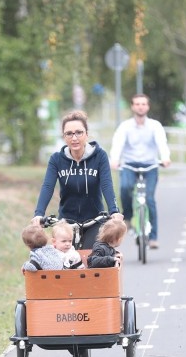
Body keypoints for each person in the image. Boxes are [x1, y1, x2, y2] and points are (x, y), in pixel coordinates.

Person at [32, 110, 123, 249]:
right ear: (64, 137)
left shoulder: (99, 156)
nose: (74, 138)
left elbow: (106, 184)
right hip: (66, 223)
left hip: (94, 221)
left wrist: (114, 211)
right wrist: (39, 214)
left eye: (79, 132)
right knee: (61, 263)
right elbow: (47, 187)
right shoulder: (56, 159)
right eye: (69, 133)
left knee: (94, 259)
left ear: (86, 134)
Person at [109, 93, 171, 249]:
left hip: (150, 165)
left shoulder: (155, 126)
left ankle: (153, 237)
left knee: (149, 200)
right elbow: (118, 144)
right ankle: (128, 217)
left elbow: (162, 143)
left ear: (148, 107)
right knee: (125, 188)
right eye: (137, 104)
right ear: (132, 106)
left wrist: (165, 158)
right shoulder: (125, 126)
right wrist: (115, 159)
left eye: (143, 104)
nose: (140, 106)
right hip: (129, 164)